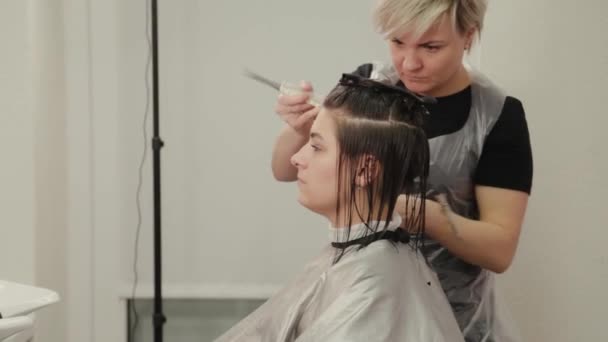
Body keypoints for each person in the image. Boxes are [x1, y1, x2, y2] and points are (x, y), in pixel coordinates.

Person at [270, 1, 533, 341]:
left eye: (430, 46)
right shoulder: (367, 87)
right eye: (397, 42)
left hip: (455, 320)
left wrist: (421, 213)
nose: (410, 63)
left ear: (468, 36)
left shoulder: (497, 116)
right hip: (365, 295)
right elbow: (285, 170)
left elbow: (499, 250)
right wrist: (299, 129)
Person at [215, 74, 464, 341]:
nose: (297, 158)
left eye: (316, 146)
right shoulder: (368, 259)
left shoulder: (374, 285)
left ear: (365, 170)